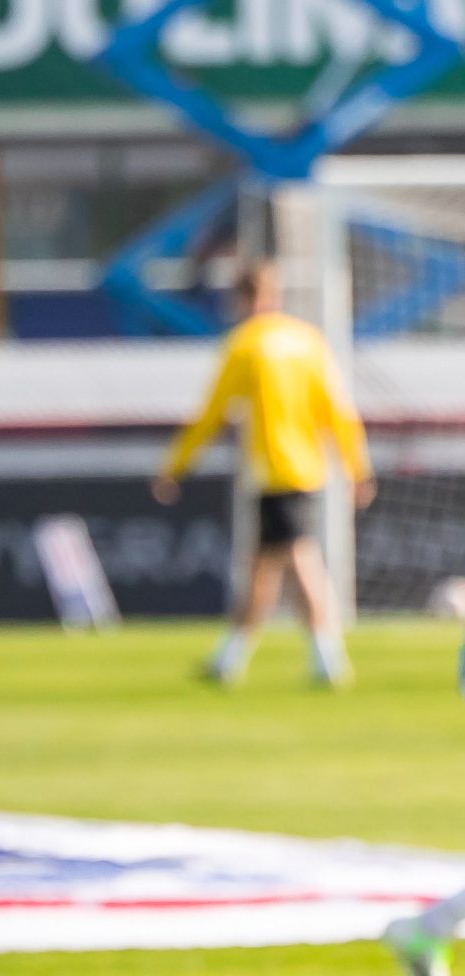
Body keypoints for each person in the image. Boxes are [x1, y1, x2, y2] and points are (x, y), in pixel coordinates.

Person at [156, 260, 372, 688]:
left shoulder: (245, 345)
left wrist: (175, 466)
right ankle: (230, 659)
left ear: (241, 299)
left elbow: (212, 415)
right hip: (306, 468)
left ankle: (326, 658)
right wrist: (356, 466)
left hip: (273, 470)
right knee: (264, 568)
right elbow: (337, 411)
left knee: (299, 561)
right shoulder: (307, 341)